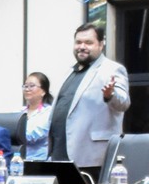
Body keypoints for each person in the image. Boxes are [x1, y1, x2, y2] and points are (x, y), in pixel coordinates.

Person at [47, 22, 128, 168]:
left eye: (88, 43)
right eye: (78, 42)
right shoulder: (70, 72)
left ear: (101, 44)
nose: (82, 47)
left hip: (92, 157)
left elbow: (123, 102)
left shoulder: (112, 69)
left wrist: (110, 95)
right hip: (60, 153)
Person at [10, 72, 54, 156]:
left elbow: (30, 136)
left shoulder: (48, 113)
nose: (27, 89)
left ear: (43, 91)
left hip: (38, 162)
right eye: (25, 86)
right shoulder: (19, 112)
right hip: (18, 160)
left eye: (31, 86)